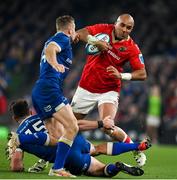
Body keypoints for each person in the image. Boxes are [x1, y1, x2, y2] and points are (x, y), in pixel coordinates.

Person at [71, 13, 147, 166]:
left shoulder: (132, 48)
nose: (125, 29)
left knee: (108, 126)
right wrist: (95, 41)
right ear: (116, 23)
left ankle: (135, 147)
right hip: (86, 87)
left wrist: (121, 75)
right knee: (68, 125)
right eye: (122, 25)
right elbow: (80, 33)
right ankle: (45, 159)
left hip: (109, 90)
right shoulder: (103, 29)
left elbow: (142, 73)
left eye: (129, 28)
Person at [7, 99, 150, 177]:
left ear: (14, 118)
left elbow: (16, 166)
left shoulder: (19, 134)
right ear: (30, 111)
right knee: (95, 148)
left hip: (66, 155)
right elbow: (72, 124)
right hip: (74, 139)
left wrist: (18, 149)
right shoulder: (44, 116)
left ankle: (116, 167)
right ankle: (135, 145)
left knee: (100, 171)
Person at [31, 15, 79, 177]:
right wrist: (54, 63)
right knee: (73, 127)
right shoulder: (62, 38)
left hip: (40, 90)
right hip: (49, 90)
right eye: (74, 29)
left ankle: (23, 143)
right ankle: (57, 168)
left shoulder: (60, 39)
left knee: (57, 136)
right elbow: (50, 48)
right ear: (70, 29)